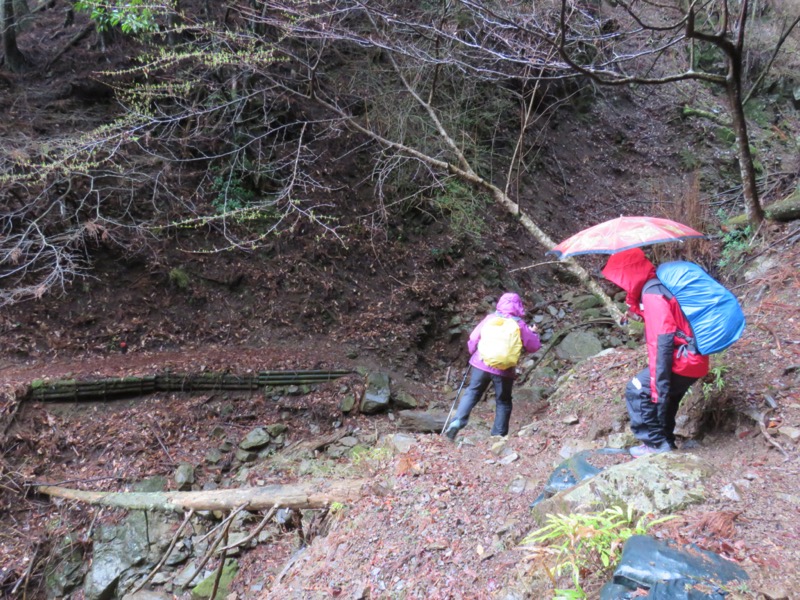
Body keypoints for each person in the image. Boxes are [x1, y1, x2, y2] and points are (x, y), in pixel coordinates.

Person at [601, 248, 709, 457]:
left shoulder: (652, 294)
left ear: (630, 275)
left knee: (638, 389)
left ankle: (655, 445)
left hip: (683, 358)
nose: (619, 285)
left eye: (620, 279)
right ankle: (666, 441)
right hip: (695, 358)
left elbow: (662, 340)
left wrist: (657, 379)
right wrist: (637, 311)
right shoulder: (656, 286)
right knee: (666, 398)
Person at [444, 292, 541, 441]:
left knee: (472, 392)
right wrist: (533, 334)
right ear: (519, 306)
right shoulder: (519, 325)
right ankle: (498, 437)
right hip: (504, 370)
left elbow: (473, 338)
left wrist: (473, 353)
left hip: (481, 363)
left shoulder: (490, 319)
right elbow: (533, 347)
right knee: (503, 401)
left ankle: (457, 421)